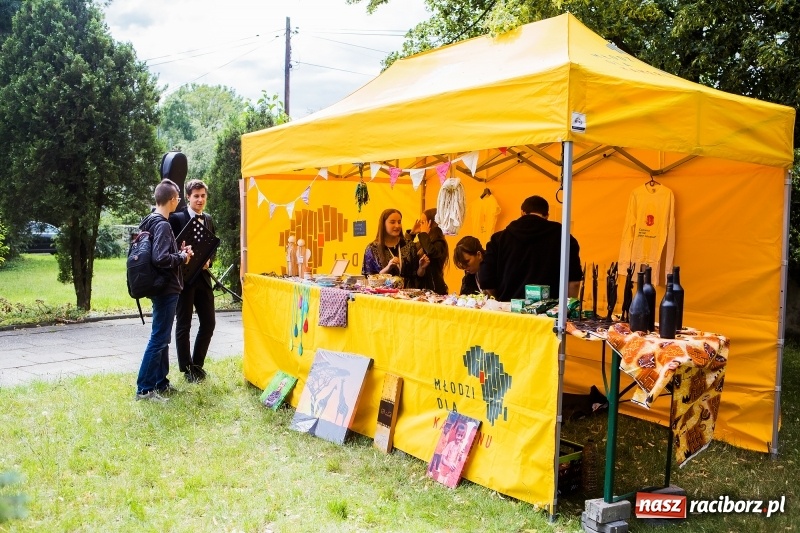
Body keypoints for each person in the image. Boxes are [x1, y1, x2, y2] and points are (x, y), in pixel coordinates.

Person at [136, 179, 194, 403]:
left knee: (162, 337)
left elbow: (158, 251)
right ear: (171, 200)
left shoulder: (149, 220)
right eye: (178, 198)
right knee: (159, 339)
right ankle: (144, 389)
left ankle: (161, 383)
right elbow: (160, 258)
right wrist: (182, 256)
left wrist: (177, 250)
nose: (178, 201)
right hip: (166, 288)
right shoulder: (162, 224)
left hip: (158, 286)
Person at [479, 195, 582, 301]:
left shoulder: (499, 239)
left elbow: (486, 280)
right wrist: (567, 306)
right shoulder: (563, 237)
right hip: (550, 309)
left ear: (522, 212)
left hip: (507, 308)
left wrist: (499, 302)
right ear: (546, 215)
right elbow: (574, 282)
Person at [168, 179, 216, 383]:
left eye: (203, 196)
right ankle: (187, 368)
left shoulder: (209, 219)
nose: (200, 199)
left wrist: (209, 261)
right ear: (188, 197)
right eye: (196, 196)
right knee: (184, 324)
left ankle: (197, 365)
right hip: (184, 279)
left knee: (209, 322)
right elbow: (170, 248)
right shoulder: (176, 218)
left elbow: (212, 246)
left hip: (203, 279)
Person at [362, 208, 428, 287]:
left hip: (407, 293)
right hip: (383, 293)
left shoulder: (409, 245)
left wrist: (421, 268)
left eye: (399, 222)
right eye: (392, 222)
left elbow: (417, 276)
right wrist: (387, 268)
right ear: (383, 224)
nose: (397, 226)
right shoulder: (372, 248)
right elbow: (368, 280)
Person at [410, 208, 449, 295]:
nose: (420, 225)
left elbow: (431, 252)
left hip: (434, 290)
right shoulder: (422, 242)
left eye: (423, 222)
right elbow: (406, 251)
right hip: (420, 287)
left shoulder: (439, 242)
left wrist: (424, 233)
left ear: (431, 224)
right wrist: (412, 234)